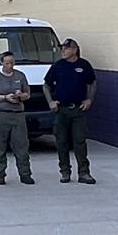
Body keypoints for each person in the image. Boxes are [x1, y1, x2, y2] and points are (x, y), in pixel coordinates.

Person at [47, 38, 99, 184]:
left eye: (67, 48)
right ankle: (65, 171)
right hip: (61, 110)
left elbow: (92, 83)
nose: (63, 51)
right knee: (61, 142)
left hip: (78, 110)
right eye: (62, 48)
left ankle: (84, 172)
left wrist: (89, 99)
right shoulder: (58, 66)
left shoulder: (84, 65)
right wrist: (50, 101)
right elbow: (47, 85)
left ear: (75, 50)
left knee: (80, 142)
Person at [0, 47, 34, 185]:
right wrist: (4, 97)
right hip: (0, 115)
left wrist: (20, 96)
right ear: (1, 63)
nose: (10, 65)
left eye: (12, 62)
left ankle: (25, 174)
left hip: (17, 115)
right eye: (7, 63)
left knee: (21, 146)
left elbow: (27, 94)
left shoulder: (20, 76)